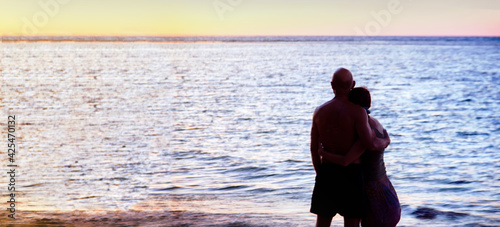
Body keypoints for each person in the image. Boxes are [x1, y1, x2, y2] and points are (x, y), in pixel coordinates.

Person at [310, 68, 390, 227]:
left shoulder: (319, 112)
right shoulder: (358, 112)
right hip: (351, 174)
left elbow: (313, 149)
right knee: (352, 224)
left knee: (322, 223)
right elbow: (371, 144)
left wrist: (321, 174)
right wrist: (386, 140)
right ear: (352, 84)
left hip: (327, 171)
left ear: (332, 85)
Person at [319, 87, 401, 227]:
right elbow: (382, 141)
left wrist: (323, 153)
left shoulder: (365, 128)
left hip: (373, 191)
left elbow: (346, 160)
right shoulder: (376, 123)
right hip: (385, 186)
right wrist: (387, 141)